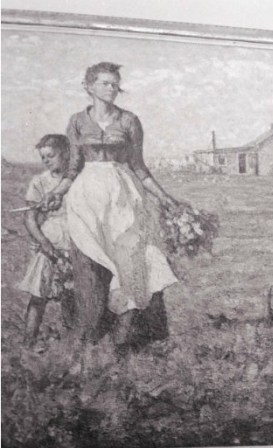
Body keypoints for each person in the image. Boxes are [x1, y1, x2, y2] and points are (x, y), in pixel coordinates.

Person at [40, 62, 181, 347]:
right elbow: (73, 168)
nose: (111, 88)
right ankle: (91, 334)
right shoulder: (77, 121)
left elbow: (139, 166)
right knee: (90, 264)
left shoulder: (129, 120)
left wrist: (165, 197)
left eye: (115, 84)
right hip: (86, 197)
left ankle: (128, 336)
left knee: (131, 262)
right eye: (105, 83)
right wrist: (57, 192)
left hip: (123, 196)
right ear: (88, 86)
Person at [18, 134, 76, 344]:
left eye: (51, 156)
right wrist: (43, 241)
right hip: (50, 240)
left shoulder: (77, 179)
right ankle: (28, 341)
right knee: (39, 294)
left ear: (66, 153)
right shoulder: (40, 181)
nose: (46, 161)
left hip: (76, 239)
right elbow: (29, 217)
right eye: (43, 157)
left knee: (72, 293)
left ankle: (72, 342)